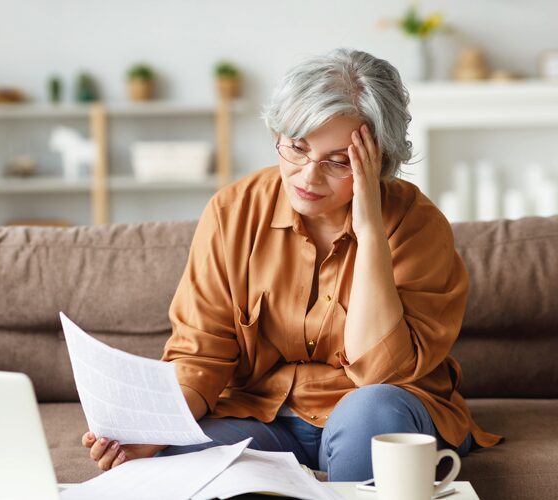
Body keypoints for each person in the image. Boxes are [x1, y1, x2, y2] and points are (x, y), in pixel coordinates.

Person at [81, 47, 502, 480]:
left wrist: (370, 230)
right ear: (277, 136)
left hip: (379, 412)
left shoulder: (417, 225)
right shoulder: (233, 211)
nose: (308, 176)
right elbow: (200, 354)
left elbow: (382, 373)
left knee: (370, 413)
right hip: (264, 416)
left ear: (380, 162)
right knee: (174, 462)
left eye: (340, 162)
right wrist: (154, 431)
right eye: (296, 149)